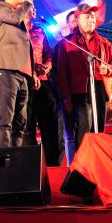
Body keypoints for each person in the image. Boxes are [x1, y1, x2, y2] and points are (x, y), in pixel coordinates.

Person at [55, 3, 112, 152]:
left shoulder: (104, 43)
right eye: (87, 17)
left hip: (99, 88)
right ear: (77, 20)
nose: (91, 20)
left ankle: (97, 159)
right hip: (79, 90)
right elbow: (62, 73)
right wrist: (66, 98)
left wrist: (107, 69)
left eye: (93, 17)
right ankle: (83, 161)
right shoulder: (67, 42)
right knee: (85, 125)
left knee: (99, 127)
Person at [0, 0, 38, 149]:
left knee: (20, 122)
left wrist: (32, 73)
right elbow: (14, 18)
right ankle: (2, 158)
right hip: (6, 71)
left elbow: (26, 46)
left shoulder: (20, 13)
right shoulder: (0, 8)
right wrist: (27, 2)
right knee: (5, 120)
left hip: (22, 74)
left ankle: (15, 158)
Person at [26, 21, 63, 165]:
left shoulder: (39, 30)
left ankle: (52, 164)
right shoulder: (16, 27)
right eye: (30, 9)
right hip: (25, 82)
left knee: (50, 126)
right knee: (28, 126)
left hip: (43, 81)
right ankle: (31, 165)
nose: (33, 10)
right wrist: (32, 69)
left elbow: (48, 54)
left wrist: (47, 66)